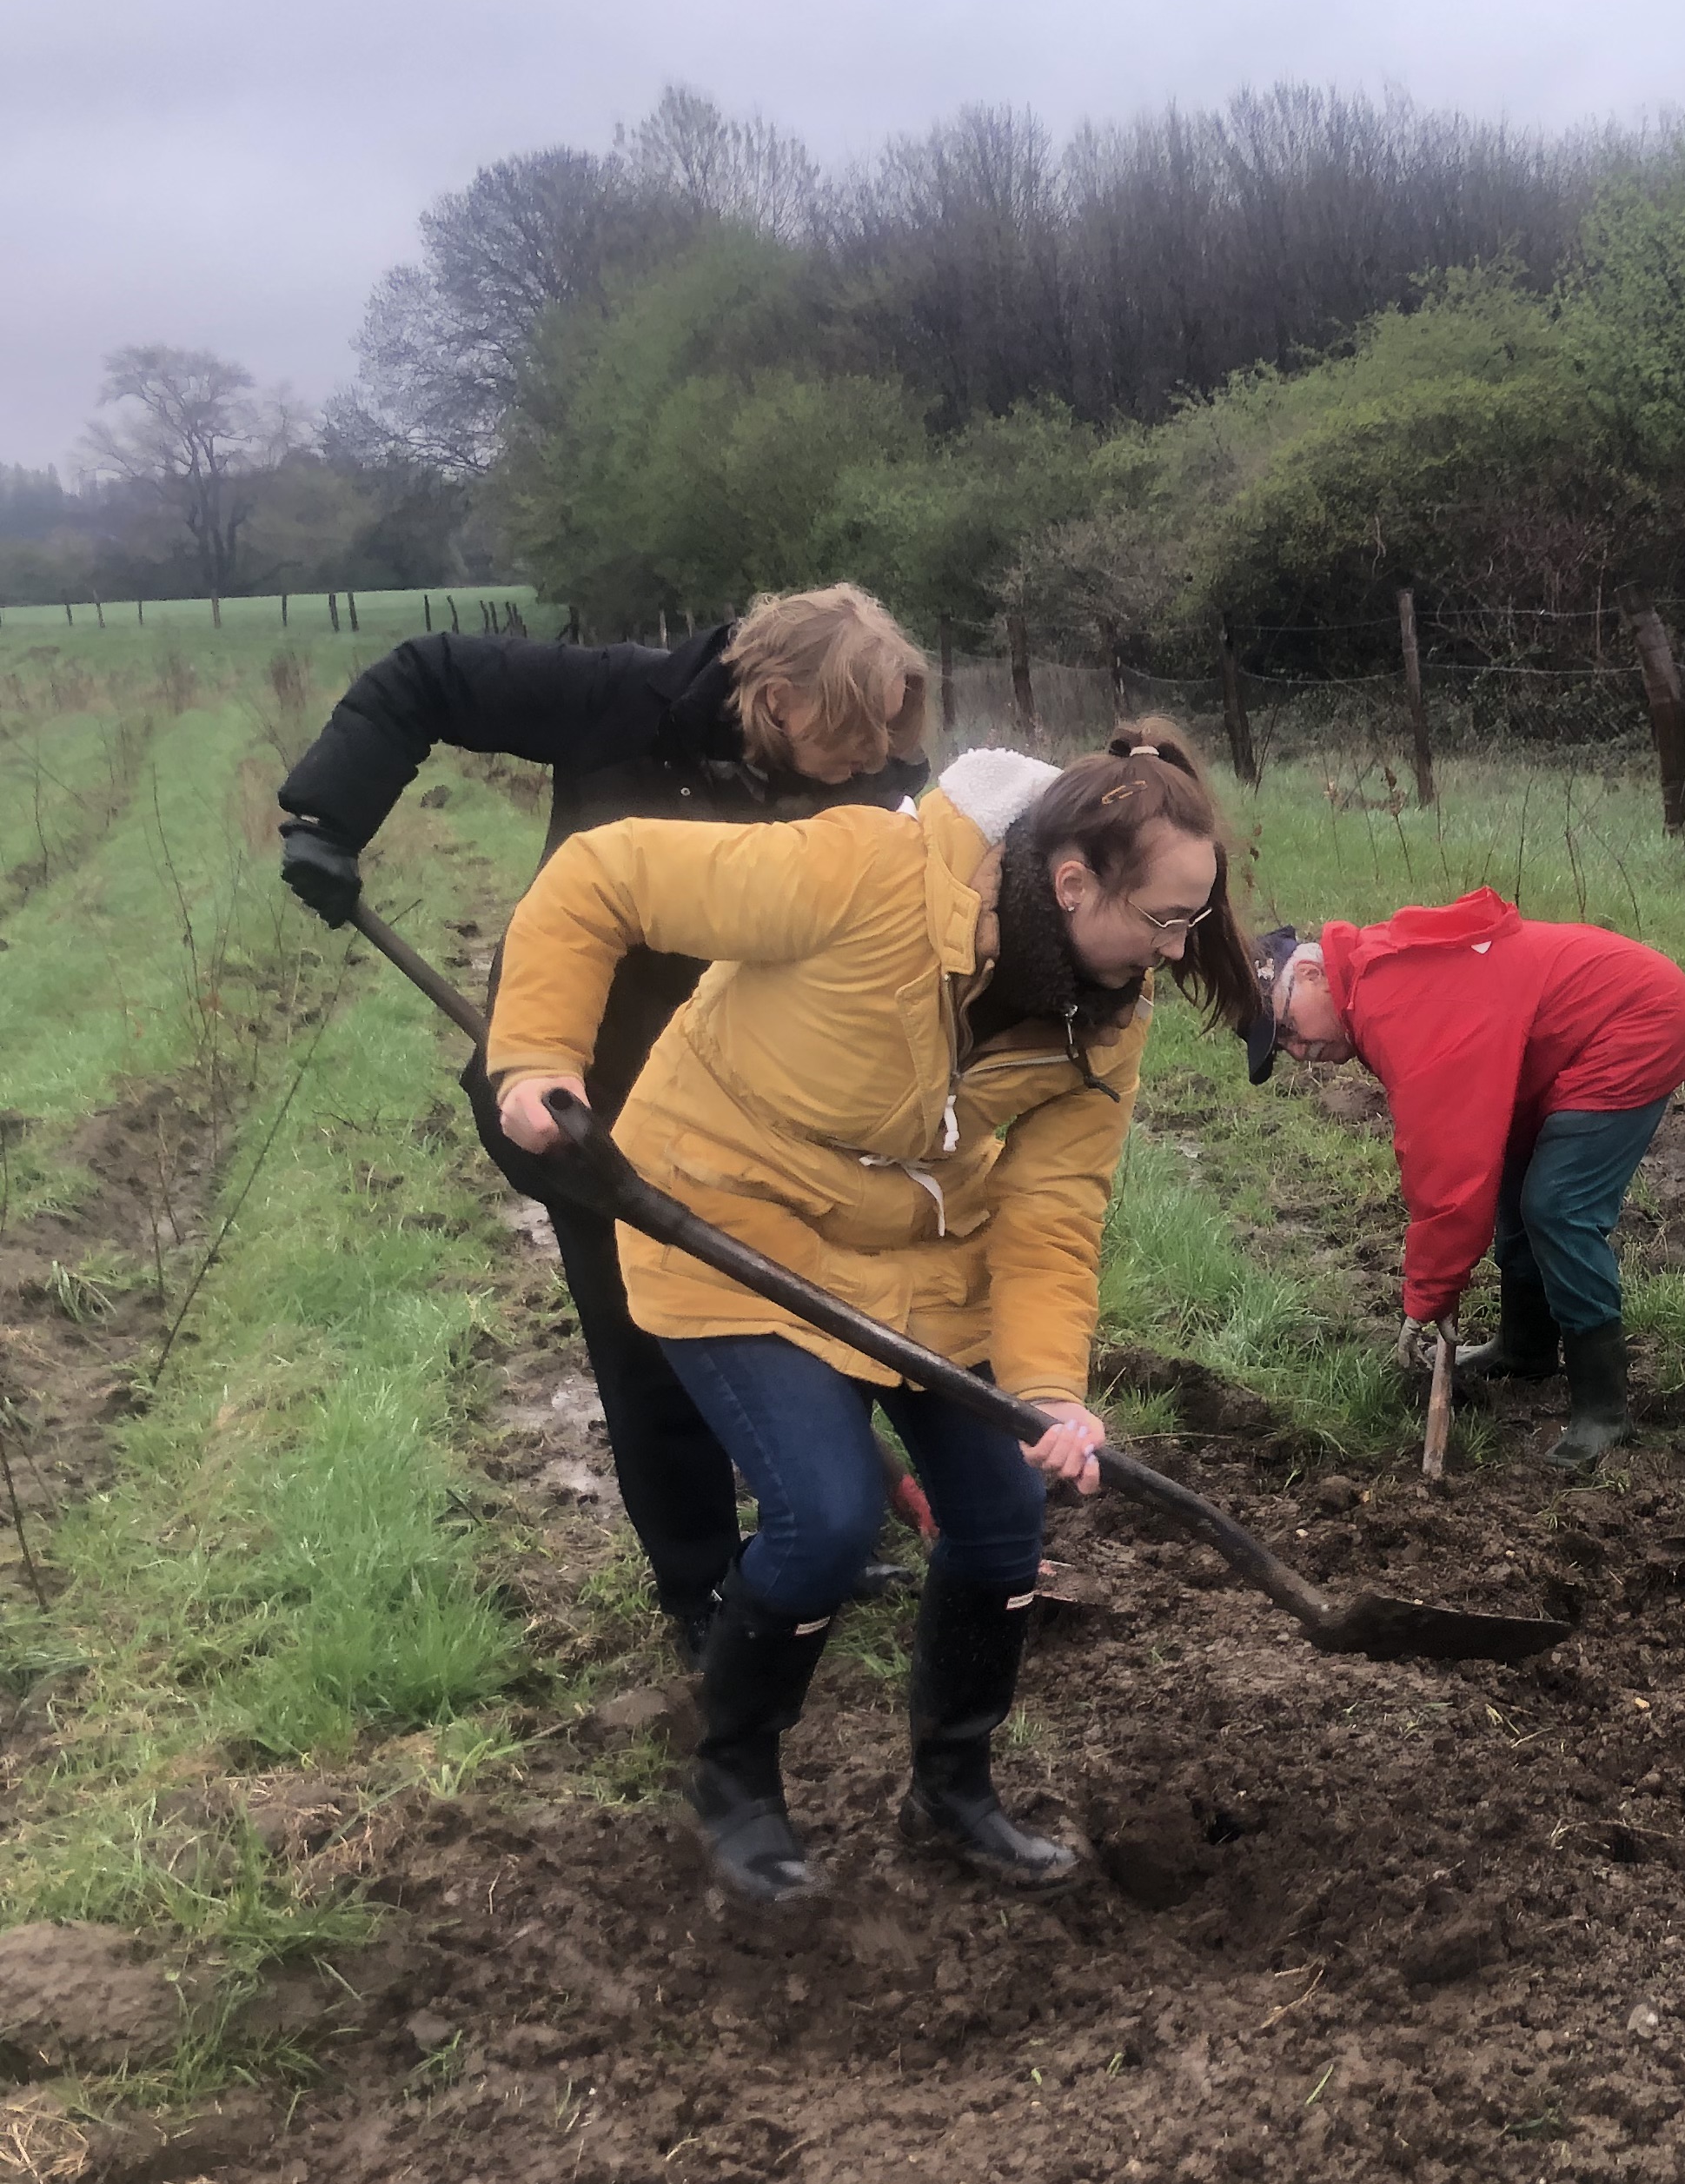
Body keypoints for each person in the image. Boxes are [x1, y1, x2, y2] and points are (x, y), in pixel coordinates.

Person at [485, 727, 1261, 1903]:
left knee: (1001, 1518)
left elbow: (1053, 1211)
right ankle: (736, 1782)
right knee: (828, 1519)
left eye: (1192, 924)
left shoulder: (1107, 1014)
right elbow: (605, 874)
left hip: (908, 1254)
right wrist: (538, 1057)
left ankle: (952, 1793)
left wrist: (1051, 1389)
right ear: (1071, 882)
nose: (1176, 949)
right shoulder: (862, 875)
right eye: (1163, 919)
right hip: (727, 1225)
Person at [275, 587, 934, 1669]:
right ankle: (702, 1586)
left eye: (886, 737)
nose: (874, 758)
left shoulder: (867, 775)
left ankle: (811, 1533)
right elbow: (428, 675)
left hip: (764, 1109)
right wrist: (329, 819)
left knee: (793, 1321)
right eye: (853, 733)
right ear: (776, 700)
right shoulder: (620, 701)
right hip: (585, 1098)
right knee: (648, 1345)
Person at [1250, 892, 1685, 1470]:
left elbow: (1447, 1165)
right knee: (1519, 1193)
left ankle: (1603, 1407)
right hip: (1563, 1043)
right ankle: (1527, 1349)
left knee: (1557, 1206)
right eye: (1283, 1047)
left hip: (1635, 1022)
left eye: (1286, 1028)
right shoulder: (1369, 985)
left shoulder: (1392, 1005)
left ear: (1313, 974)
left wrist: (1428, 1294)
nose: (1298, 1051)